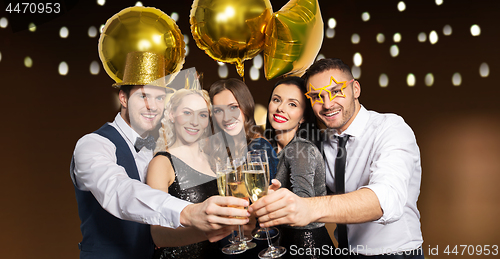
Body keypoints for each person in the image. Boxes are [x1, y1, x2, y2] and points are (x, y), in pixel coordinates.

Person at [71, 52, 249, 259]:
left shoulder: (157, 150)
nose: (152, 106)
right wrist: (189, 212)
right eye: (143, 96)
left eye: (159, 98)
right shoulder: (93, 144)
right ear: (123, 98)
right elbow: (119, 192)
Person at [250, 58, 424, 259]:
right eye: (316, 96)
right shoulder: (323, 143)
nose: (327, 104)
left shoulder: (391, 128)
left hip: (393, 254)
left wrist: (308, 207)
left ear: (355, 89)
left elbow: (386, 199)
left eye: (336, 91)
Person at [147, 89, 225, 258]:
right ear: (172, 115)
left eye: (202, 115)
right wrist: (209, 232)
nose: (195, 122)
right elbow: (157, 235)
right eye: (187, 113)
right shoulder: (162, 163)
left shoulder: (215, 162)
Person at [264, 76, 335, 258]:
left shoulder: (299, 148)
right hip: (286, 243)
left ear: (303, 117)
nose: (281, 108)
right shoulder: (271, 149)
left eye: (292, 104)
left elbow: (302, 204)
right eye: (277, 100)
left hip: (307, 247)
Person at [209, 78, 278, 180]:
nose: (226, 118)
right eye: (218, 110)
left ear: (246, 107)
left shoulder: (259, 147)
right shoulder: (223, 151)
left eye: (233, 107)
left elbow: (264, 193)